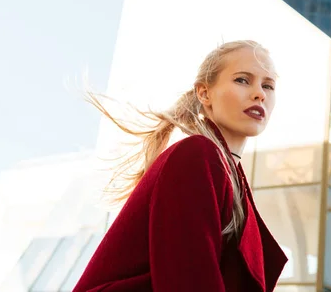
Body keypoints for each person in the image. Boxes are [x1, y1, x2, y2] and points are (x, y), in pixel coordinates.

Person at [73, 40, 287, 292]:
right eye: (242, 80)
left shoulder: (230, 175)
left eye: (268, 86)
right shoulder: (196, 155)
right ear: (204, 93)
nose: (259, 93)